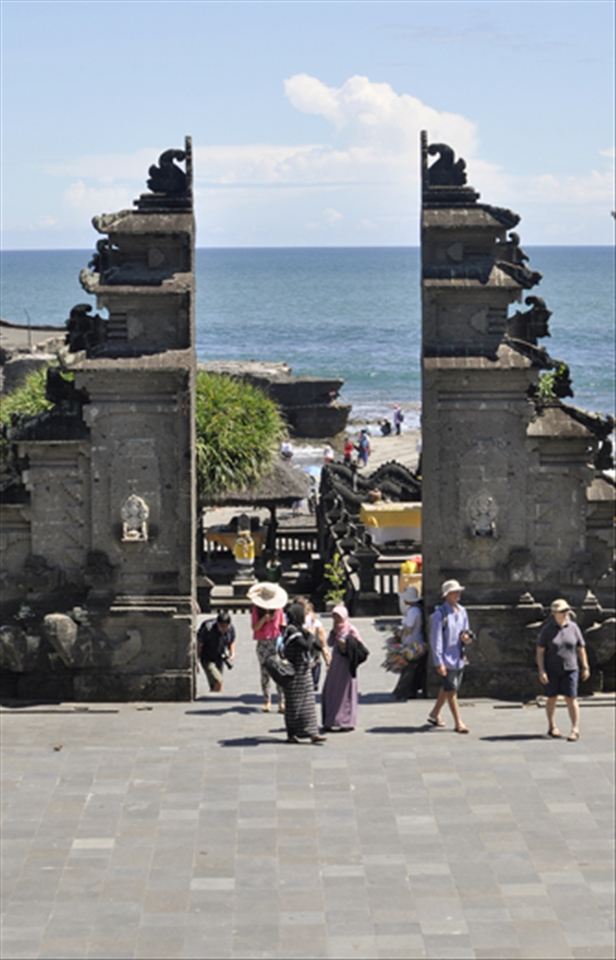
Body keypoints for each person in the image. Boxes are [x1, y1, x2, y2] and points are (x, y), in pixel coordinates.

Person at [537, 598, 590, 741]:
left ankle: (575, 729)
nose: (565, 613)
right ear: (554, 613)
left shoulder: (574, 628)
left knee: (571, 698)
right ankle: (552, 726)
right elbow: (540, 651)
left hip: (571, 668)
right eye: (562, 611)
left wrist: (585, 666)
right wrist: (542, 670)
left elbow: (581, 648)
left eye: (567, 610)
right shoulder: (547, 630)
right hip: (552, 669)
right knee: (551, 698)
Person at [427, 579, 473, 733]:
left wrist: (467, 638)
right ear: (447, 594)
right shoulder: (439, 615)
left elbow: (466, 631)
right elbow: (436, 640)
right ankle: (458, 722)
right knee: (452, 689)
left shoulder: (462, 611)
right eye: (455, 592)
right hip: (447, 658)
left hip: (459, 657)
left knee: (448, 687)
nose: (458, 594)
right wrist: (439, 661)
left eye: (459, 591)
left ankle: (434, 713)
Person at [281, 603, 327, 744]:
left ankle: (313, 733)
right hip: (293, 674)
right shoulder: (292, 631)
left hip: (304, 672)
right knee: (293, 705)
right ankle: (291, 734)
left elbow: (316, 645)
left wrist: (323, 649)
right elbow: (306, 645)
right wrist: (311, 633)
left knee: (308, 704)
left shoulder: (299, 630)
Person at [321, 604, 368, 731]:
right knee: (331, 691)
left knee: (345, 693)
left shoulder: (351, 629)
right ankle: (330, 720)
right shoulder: (336, 628)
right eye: (334, 617)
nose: (336, 620)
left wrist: (347, 644)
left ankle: (346, 722)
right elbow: (330, 643)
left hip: (346, 664)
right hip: (335, 664)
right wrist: (333, 632)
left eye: (338, 617)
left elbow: (360, 647)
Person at [247, 581, 288, 712]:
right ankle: (267, 700)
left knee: (279, 671)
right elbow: (254, 627)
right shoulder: (256, 609)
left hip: (276, 641)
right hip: (263, 642)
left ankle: (281, 701)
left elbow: (282, 623)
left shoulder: (279, 608)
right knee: (265, 673)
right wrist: (264, 619)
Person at [392, 586, 427, 700]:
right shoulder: (415, 609)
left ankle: (406, 690)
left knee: (409, 668)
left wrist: (399, 633)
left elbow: (409, 629)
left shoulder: (413, 611)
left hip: (413, 643)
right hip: (414, 641)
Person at [197, 610, 236, 693]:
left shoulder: (230, 629)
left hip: (219, 659)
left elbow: (232, 641)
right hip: (207, 658)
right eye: (222, 626)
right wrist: (196, 661)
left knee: (214, 685)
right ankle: (214, 697)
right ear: (217, 623)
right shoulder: (208, 628)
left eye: (226, 626)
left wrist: (232, 654)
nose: (224, 629)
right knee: (218, 681)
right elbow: (199, 645)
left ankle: (212, 699)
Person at [300, 597, 330, 690]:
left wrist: (328, 663)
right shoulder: (297, 627)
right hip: (301, 663)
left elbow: (323, 646)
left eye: (311, 613)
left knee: (313, 687)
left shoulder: (318, 626)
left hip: (315, 661)